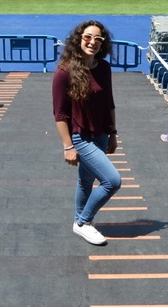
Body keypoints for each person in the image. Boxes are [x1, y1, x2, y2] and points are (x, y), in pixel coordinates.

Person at [52, 20, 121, 246]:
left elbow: (109, 103)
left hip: (101, 133)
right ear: (79, 38)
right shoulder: (65, 72)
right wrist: (68, 146)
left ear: (103, 43)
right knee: (112, 181)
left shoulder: (103, 68)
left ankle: (78, 222)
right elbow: (60, 114)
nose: (92, 42)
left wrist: (112, 133)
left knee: (86, 181)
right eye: (88, 37)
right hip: (80, 136)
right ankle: (84, 222)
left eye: (98, 39)